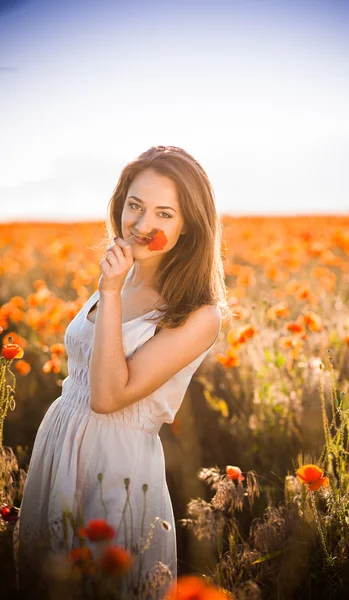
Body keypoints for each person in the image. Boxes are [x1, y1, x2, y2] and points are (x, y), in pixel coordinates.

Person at [14, 145, 233, 598]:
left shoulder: (197, 314)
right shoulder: (126, 274)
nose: (142, 224)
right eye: (135, 205)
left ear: (189, 225)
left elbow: (108, 397)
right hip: (61, 444)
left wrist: (109, 292)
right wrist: (114, 286)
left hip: (113, 465)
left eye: (164, 213)